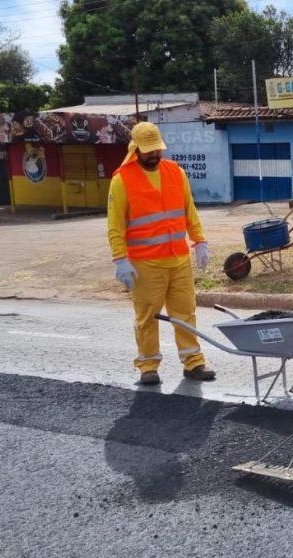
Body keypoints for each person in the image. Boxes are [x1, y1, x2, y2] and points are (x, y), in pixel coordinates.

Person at [107, 121, 215, 385]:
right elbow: (115, 226)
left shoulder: (175, 172)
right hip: (145, 264)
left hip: (178, 259)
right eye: (149, 151)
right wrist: (120, 260)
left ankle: (193, 363)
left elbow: (190, 210)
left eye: (157, 149)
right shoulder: (122, 181)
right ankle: (148, 366)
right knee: (147, 317)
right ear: (136, 149)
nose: (155, 155)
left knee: (185, 313)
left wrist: (199, 241)